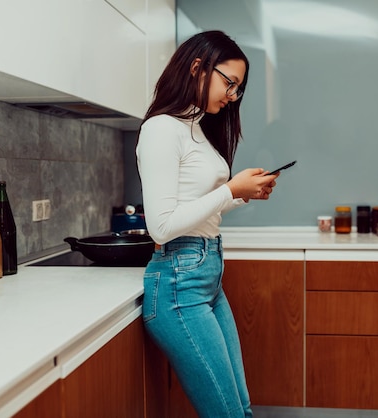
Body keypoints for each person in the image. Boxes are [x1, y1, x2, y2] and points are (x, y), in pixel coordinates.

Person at [136, 30, 279, 418]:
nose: (232, 96)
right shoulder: (161, 129)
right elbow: (162, 227)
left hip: (207, 277)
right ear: (198, 67)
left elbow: (198, 214)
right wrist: (231, 188)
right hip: (178, 286)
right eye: (229, 82)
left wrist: (242, 194)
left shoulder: (196, 129)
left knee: (241, 410)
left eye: (238, 89)